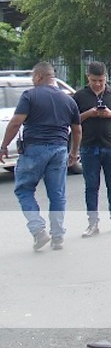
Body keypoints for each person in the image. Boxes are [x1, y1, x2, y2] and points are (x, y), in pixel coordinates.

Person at [0, 62, 82, 250]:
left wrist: (4, 146)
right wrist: (74, 153)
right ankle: (58, 236)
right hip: (59, 150)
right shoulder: (69, 100)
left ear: (38, 77)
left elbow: (15, 123)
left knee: (24, 189)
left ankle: (38, 231)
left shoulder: (30, 95)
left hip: (34, 150)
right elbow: (77, 130)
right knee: (57, 194)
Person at [73, 61, 111, 237]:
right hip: (89, 147)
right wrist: (89, 113)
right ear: (88, 78)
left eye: (101, 80)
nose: (98, 84)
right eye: (94, 80)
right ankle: (93, 223)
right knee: (91, 186)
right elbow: (72, 120)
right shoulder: (79, 96)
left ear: (105, 78)